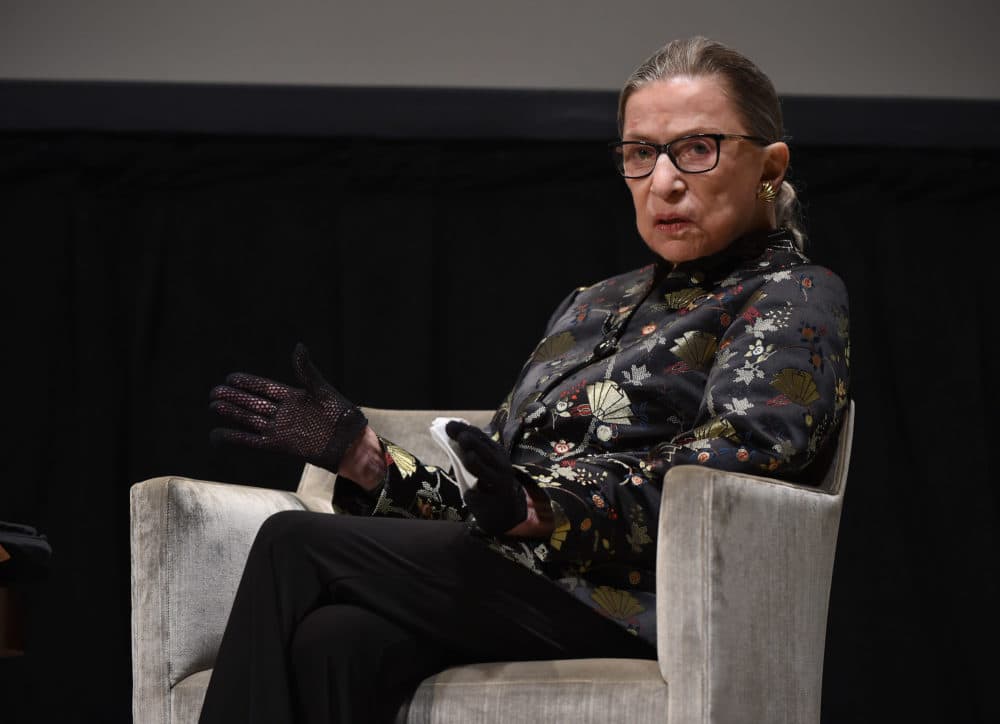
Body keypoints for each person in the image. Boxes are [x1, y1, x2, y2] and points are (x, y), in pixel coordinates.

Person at [198, 35, 851, 724]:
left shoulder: (792, 293)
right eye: (640, 153)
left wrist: (544, 510)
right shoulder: (589, 304)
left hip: (633, 596)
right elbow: (499, 501)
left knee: (293, 543)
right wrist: (369, 462)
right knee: (337, 642)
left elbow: (738, 462)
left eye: (697, 148)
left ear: (770, 166)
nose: (664, 181)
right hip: (524, 578)